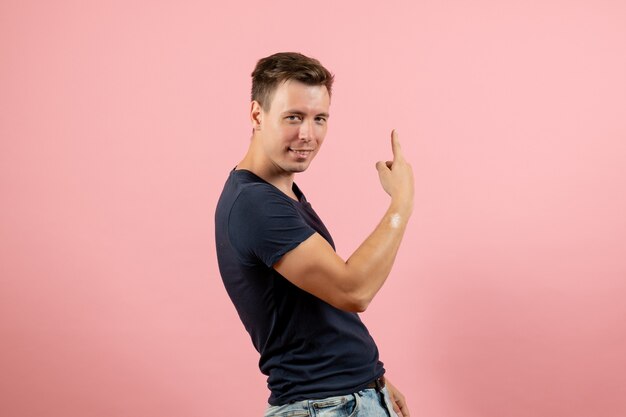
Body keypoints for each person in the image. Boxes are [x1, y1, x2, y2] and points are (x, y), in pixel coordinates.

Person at [215, 52, 414, 417]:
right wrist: (401, 201)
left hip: (345, 398)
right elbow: (352, 290)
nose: (308, 134)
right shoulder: (256, 204)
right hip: (326, 407)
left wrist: (372, 379)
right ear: (257, 115)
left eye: (319, 118)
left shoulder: (279, 193)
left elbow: (316, 312)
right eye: (293, 117)